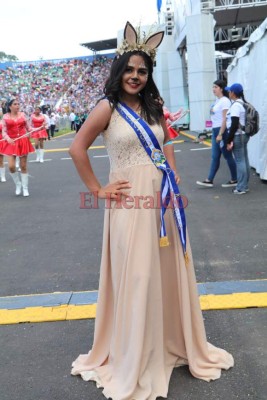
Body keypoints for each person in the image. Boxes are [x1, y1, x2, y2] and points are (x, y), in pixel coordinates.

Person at [70, 21, 234, 400]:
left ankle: (165, 343)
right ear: (119, 69)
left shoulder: (152, 106)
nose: (135, 76)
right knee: (138, 274)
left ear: (149, 74)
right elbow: (78, 149)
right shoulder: (106, 108)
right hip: (129, 204)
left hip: (162, 202)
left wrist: (173, 181)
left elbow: (167, 146)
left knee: (164, 271)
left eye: (142, 70)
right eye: (129, 69)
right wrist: (98, 189)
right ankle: (134, 353)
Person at [196, 80, 237, 188]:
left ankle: (235, 179)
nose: (213, 89)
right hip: (215, 130)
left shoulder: (225, 101)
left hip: (221, 131)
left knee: (227, 156)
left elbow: (225, 119)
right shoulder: (217, 100)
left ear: (221, 89)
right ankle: (209, 180)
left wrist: (220, 133)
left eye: (216, 87)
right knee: (215, 156)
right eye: (213, 87)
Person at [1, 98, 35, 196]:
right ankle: (18, 184)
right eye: (15, 104)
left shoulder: (23, 115)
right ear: (10, 106)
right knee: (11, 167)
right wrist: (7, 138)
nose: (17, 106)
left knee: (23, 166)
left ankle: (25, 188)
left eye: (18, 104)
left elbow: (29, 128)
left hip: (23, 141)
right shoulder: (5, 117)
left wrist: (32, 131)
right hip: (11, 142)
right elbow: (4, 131)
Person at [225, 83, 250, 194]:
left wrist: (229, 140)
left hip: (237, 136)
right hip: (244, 135)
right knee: (244, 160)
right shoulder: (242, 104)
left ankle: (241, 187)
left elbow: (234, 124)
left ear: (233, 93)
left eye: (229, 91)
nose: (228, 92)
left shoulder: (235, 106)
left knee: (240, 161)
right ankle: (244, 185)